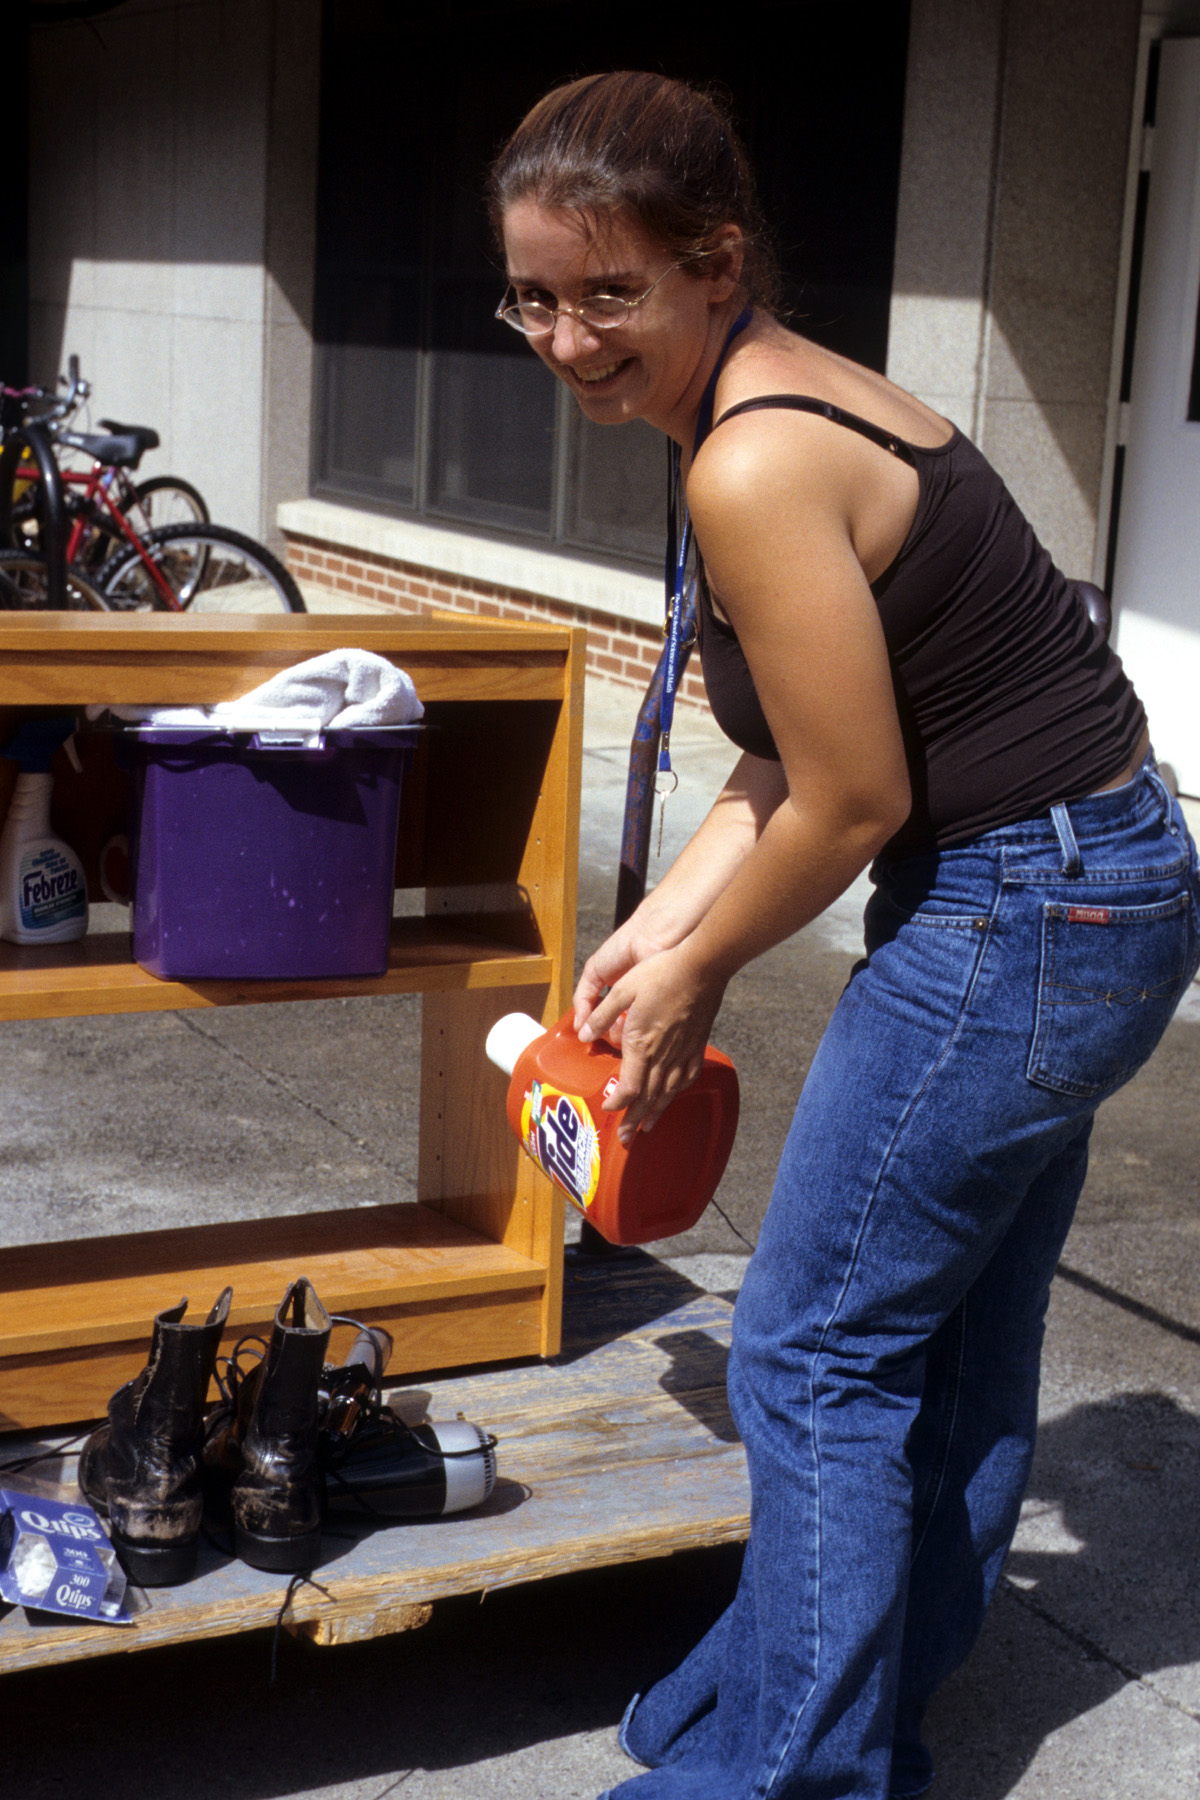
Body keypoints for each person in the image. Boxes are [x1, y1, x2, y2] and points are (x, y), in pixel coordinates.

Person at [489, 71, 1200, 1800]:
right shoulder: (757, 399)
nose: (568, 339)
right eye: (531, 298)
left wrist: (703, 968)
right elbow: (786, 751)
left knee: (809, 1350)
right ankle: (834, 1706)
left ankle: (791, 1775)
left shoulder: (751, 455)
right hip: (1093, 888)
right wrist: (658, 927)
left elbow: (853, 801)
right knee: (943, 1337)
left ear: (715, 263)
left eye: (608, 292)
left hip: (1026, 905)